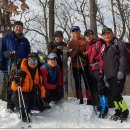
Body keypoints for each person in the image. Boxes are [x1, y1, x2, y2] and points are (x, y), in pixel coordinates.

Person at [0, 21, 31, 111]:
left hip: (20, 66)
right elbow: (1, 51)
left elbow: (28, 54)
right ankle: (6, 104)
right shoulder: (6, 37)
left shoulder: (25, 41)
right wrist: (2, 60)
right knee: (7, 84)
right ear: (13, 28)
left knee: (17, 84)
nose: (19, 28)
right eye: (17, 26)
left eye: (20, 27)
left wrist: (26, 64)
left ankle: (17, 103)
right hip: (7, 65)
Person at [102, 27, 129, 122]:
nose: (107, 35)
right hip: (109, 75)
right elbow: (106, 62)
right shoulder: (105, 46)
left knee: (116, 94)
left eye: (108, 33)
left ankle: (125, 111)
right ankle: (118, 111)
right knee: (113, 95)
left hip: (118, 74)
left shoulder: (118, 43)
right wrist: (105, 74)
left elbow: (123, 58)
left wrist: (121, 71)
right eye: (104, 34)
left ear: (112, 33)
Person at [11, 52, 46, 122]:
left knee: (40, 107)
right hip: (19, 95)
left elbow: (40, 85)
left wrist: (43, 97)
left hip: (30, 94)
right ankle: (23, 112)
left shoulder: (38, 72)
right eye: (31, 60)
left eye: (35, 60)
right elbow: (13, 87)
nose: (33, 62)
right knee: (25, 101)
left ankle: (29, 107)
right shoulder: (21, 71)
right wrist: (16, 82)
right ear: (28, 60)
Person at [83, 29, 109, 118]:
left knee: (101, 88)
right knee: (97, 88)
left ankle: (105, 108)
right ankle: (101, 105)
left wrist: (101, 69)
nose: (89, 36)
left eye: (90, 34)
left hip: (98, 69)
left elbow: (102, 56)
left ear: (93, 35)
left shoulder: (99, 43)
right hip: (91, 69)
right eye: (87, 35)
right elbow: (88, 54)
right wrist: (81, 54)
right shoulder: (90, 45)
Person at [67, 26, 93, 105]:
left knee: (87, 81)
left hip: (84, 64)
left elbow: (89, 50)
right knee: (77, 82)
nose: (75, 32)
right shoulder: (70, 43)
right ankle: (80, 98)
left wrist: (82, 53)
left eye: (77, 30)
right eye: (74, 31)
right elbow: (69, 54)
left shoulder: (84, 40)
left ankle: (89, 98)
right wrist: (74, 53)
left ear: (79, 31)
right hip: (75, 65)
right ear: (72, 33)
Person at [48, 31, 67, 99]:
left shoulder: (64, 44)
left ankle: (61, 94)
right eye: (57, 37)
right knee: (53, 79)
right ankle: (52, 95)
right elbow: (49, 53)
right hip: (52, 65)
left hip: (62, 64)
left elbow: (66, 54)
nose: (58, 38)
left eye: (60, 37)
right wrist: (57, 48)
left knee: (61, 79)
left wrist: (63, 50)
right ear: (54, 38)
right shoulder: (51, 44)